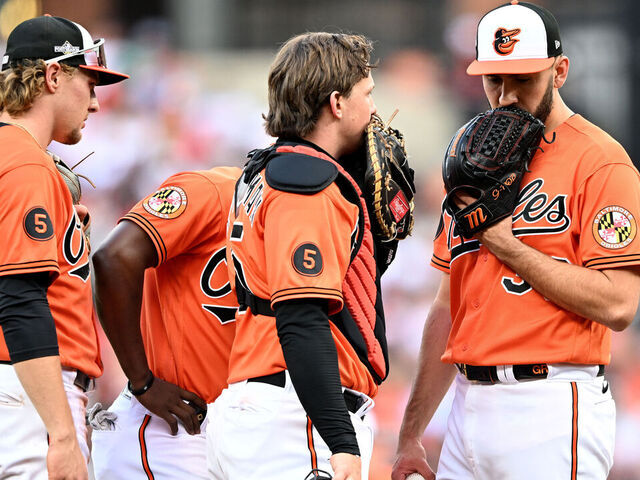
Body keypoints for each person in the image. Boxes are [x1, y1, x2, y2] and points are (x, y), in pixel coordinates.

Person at [392, 2, 640, 480]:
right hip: (468, 405)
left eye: (523, 79)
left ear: (560, 70)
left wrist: (508, 246)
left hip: (550, 403)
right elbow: (448, 307)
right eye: (494, 80)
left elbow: (619, 304)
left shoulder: (601, 161)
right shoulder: (470, 159)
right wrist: (410, 434)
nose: (505, 97)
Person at [208, 32, 392, 480]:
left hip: (266, 405)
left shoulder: (270, 167)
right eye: (366, 94)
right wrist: (340, 440)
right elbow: (302, 315)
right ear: (337, 103)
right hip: (295, 418)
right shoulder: (308, 184)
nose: (373, 108)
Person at [0, 15, 128, 480]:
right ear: (54, 75)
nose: (95, 104)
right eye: (90, 84)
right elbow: (19, 301)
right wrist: (61, 434)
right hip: (27, 396)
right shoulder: (25, 165)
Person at [90, 164, 241, 479]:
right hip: (171, 430)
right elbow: (114, 257)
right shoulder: (215, 192)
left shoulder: (295, 224)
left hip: (232, 430)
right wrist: (142, 381)